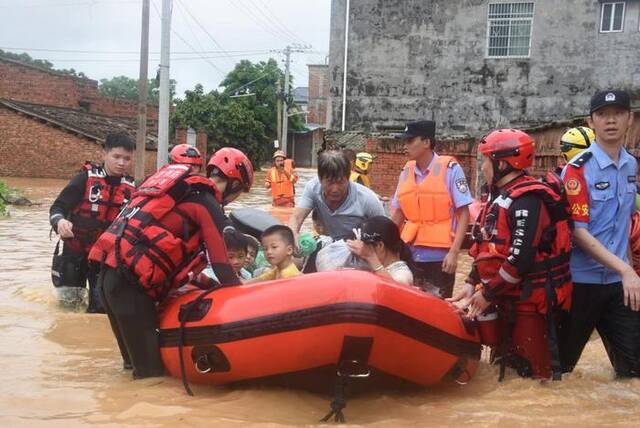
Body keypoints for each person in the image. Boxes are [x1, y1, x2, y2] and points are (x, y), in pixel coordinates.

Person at [88, 147, 253, 379]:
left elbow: (179, 267)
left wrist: (208, 284)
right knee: (151, 377)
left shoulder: (177, 192)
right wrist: (245, 300)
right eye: (239, 193)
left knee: (132, 368)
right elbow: (221, 264)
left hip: (108, 281)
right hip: (130, 287)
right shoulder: (205, 201)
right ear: (234, 184)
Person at [450, 128, 573, 381]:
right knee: (502, 371)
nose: (483, 167)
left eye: (485, 160)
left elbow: (521, 259)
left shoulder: (528, 200)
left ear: (503, 163)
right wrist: (472, 282)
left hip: (529, 302)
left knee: (536, 377)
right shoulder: (500, 197)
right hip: (504, 296)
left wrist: (488, 293)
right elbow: (488, 245)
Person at [560, 89, 640, 378]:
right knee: (561, 373)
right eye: (603, 115)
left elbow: (624, 223)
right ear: (591, 122)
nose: (610, 121)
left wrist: (630, 271)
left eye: (617, 113)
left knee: (633, 373)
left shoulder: (631, 165)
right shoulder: (577, 170)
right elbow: (579, 234)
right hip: (581, 284)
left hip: (620, 285)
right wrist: (627, 270)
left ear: (629, 119)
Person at [49, 132, 135, 313]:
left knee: (101, 311)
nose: (121, 163)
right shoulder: (84, 179)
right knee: (69, 309)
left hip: (103, 259)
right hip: (74, 252)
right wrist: (60, 222)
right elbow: (57, 207)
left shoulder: (133, 189)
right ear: (104, 154)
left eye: (127, 158)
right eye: (116, 156)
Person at [391, 120, 471, 298]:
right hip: (409, 254)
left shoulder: (451, 169)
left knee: (438, 309)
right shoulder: (406, 171)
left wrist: (454, 253)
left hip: (439, 258)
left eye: (410, 141)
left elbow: (463, 214)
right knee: (408, 306)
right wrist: (383, 245)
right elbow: (399, 213)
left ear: (426, 142)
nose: (405, 146)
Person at [288, 150, 385, 241]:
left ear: (348, 178)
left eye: (340, 182)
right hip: (327, 245)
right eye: (330, 182)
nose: (335, 189)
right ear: (320, 179)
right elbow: (296, 218)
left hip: (358, 248)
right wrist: (292, 236)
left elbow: (384, 234)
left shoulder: (367, 199)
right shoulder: (313, 188)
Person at [347, 216, 413, 286]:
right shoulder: (375, 268)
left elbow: (397, 289)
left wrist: (371, 257)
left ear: (379, 246)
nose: (360, 257)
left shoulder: (402, 273)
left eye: (363, 252)